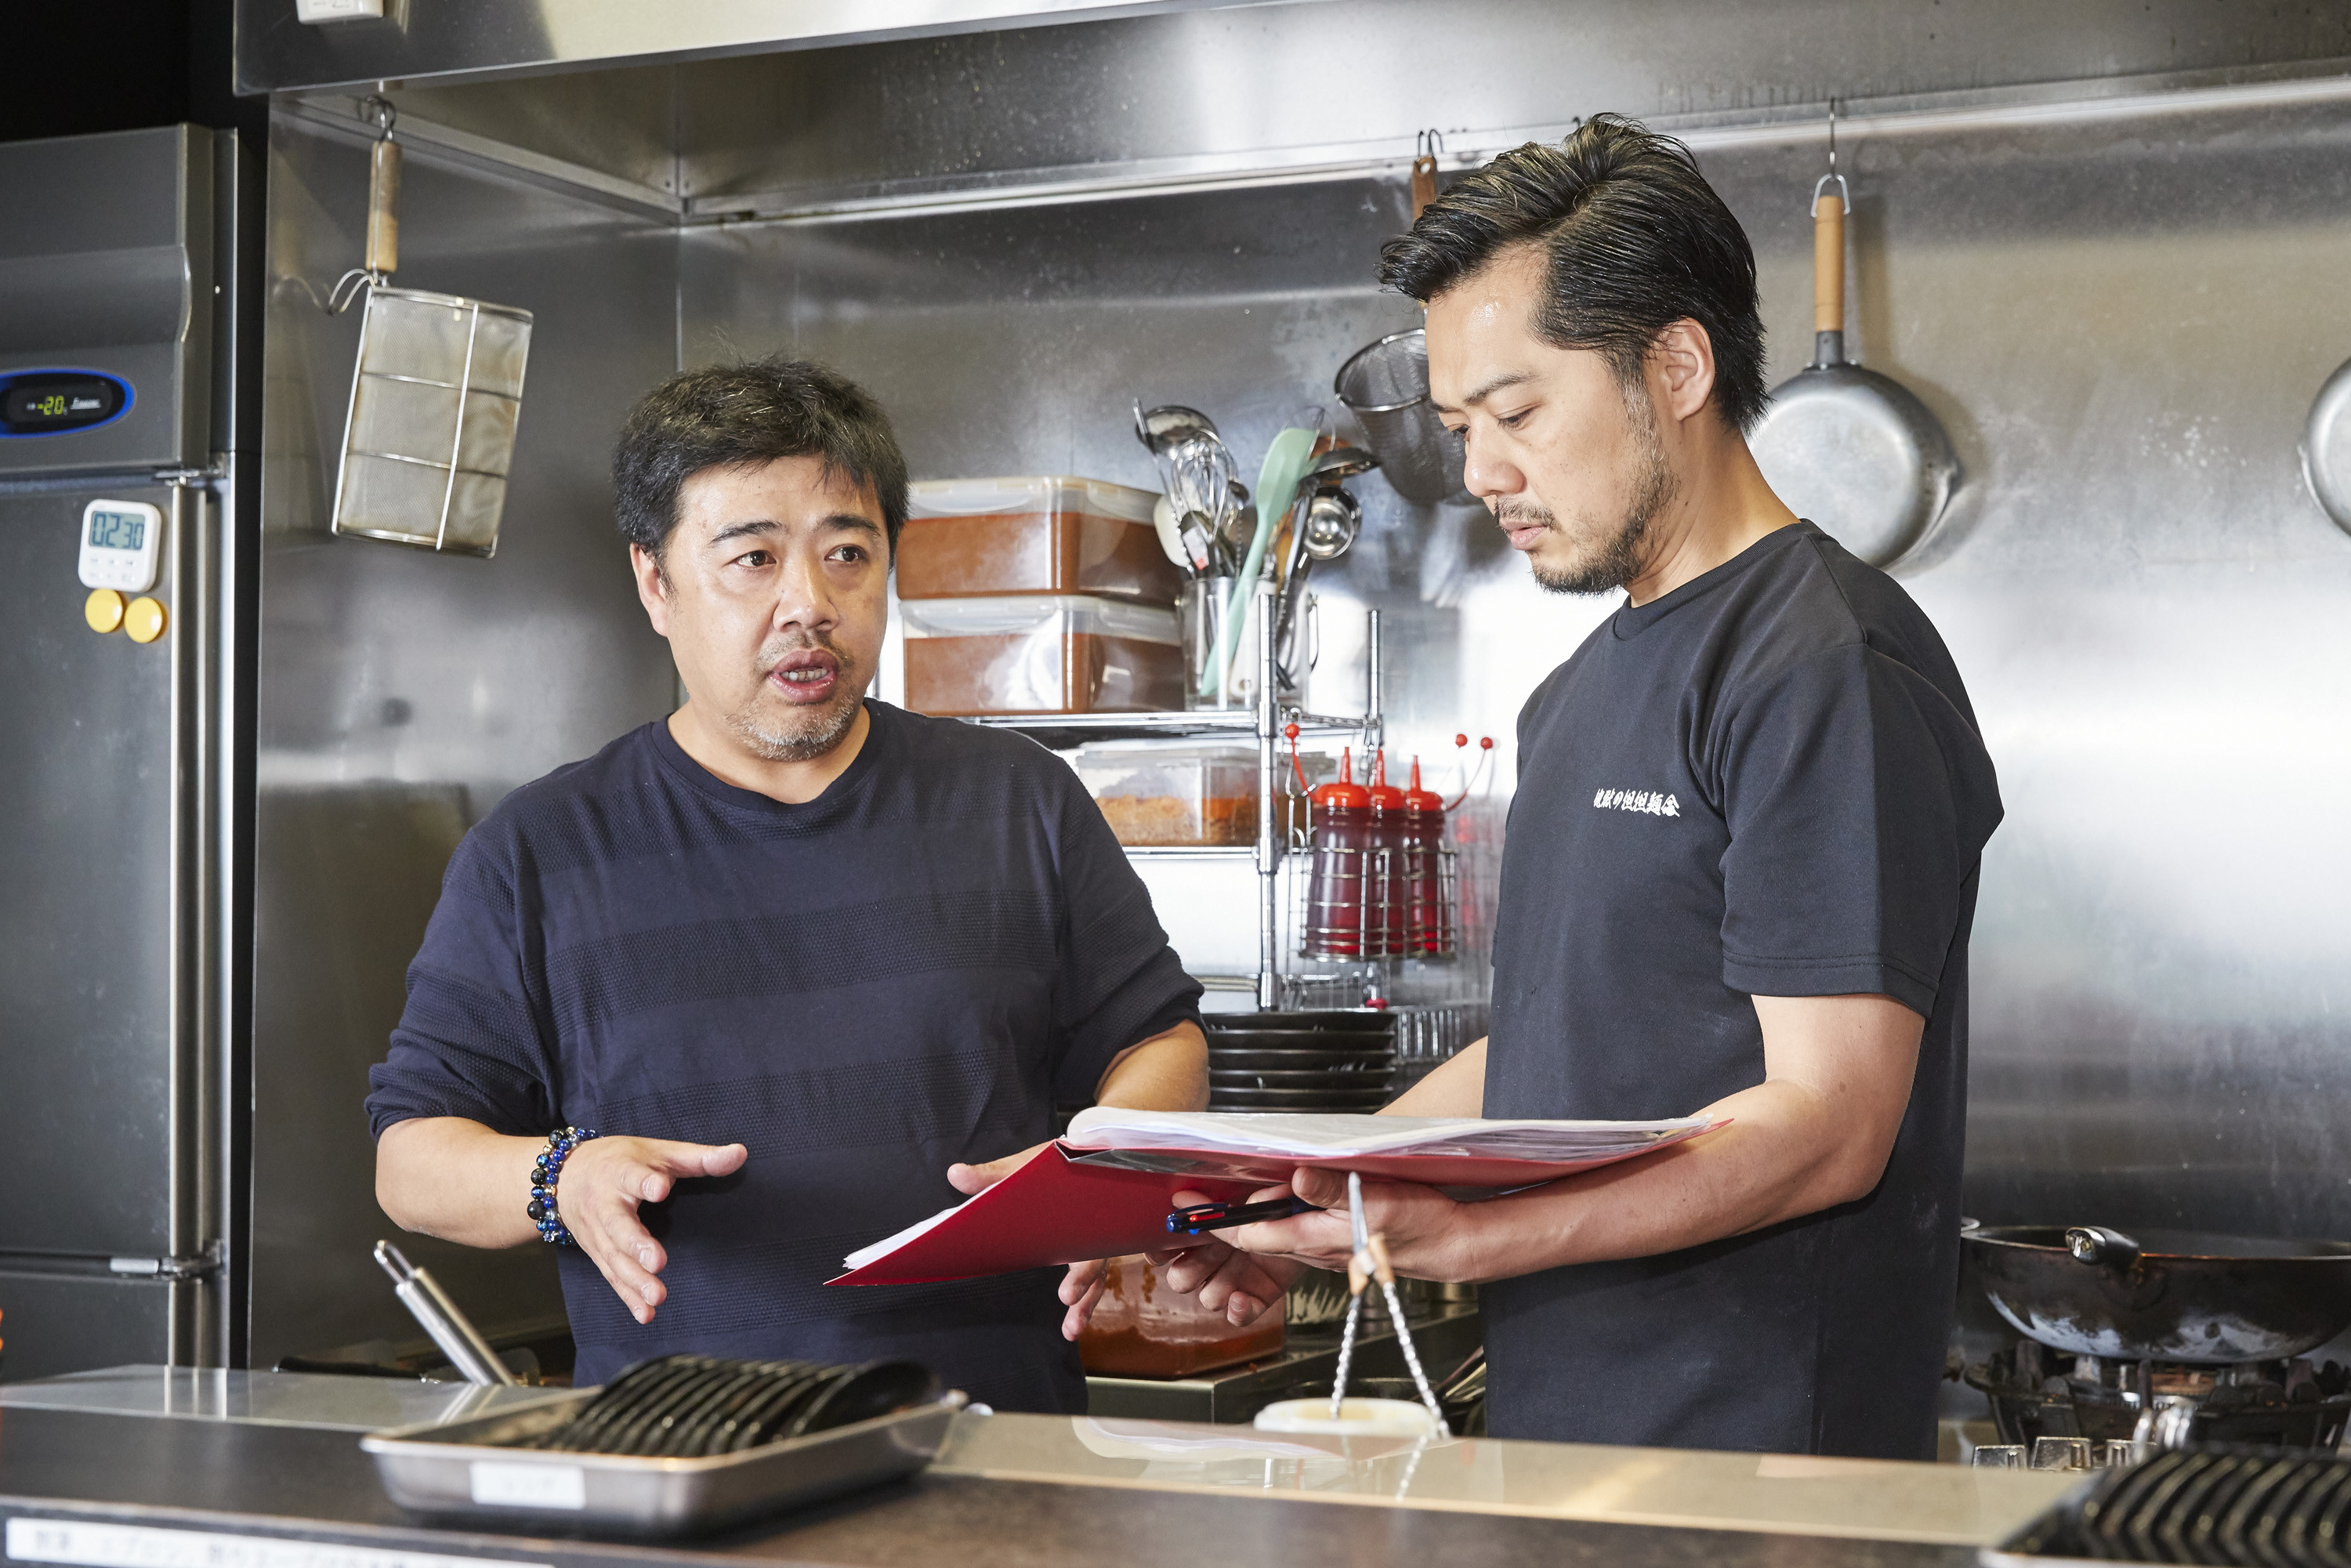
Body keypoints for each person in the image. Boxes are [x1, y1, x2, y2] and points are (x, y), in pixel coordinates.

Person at [1151, 116, 2002, 1458]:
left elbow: (1829, 1123)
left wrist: (1474, 1235)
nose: (1483, 470)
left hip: (1765, 1477)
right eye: (1456, 426)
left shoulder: (1821, 661)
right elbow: (1561, 1052)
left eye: (1516, 412)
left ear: (1675, 365)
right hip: (1575, 1451)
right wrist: (1313, 1203)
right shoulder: (1577, 692)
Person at [367, 357, 1206, 1411]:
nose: (808, 604)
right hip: (683, 1468)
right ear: (655, 582)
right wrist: (561, 1179)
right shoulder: (538, 853)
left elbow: (1159, 1043)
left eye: (846, 554)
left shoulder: (1020, 803)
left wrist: (1104, 1166)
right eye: (752, 559)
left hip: (994, 1460)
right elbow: (413, 1155)